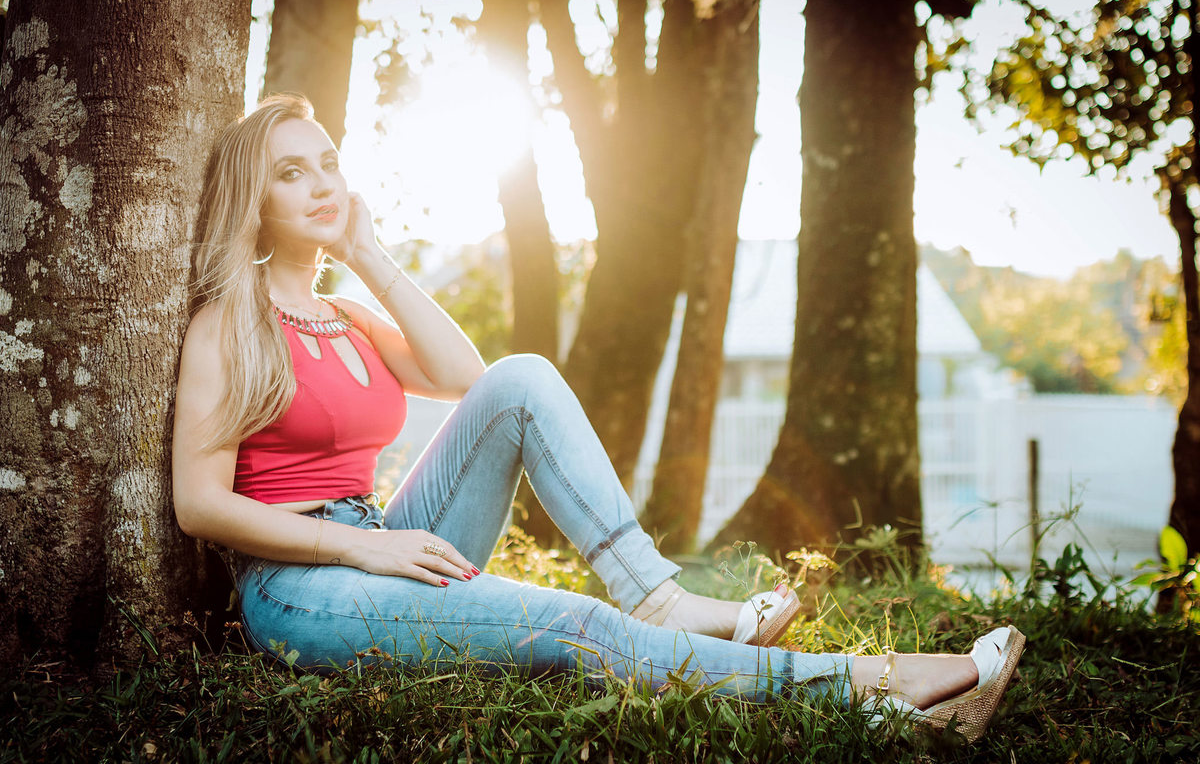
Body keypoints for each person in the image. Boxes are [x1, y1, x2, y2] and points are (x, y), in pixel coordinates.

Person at [171, 94, 1024, 743]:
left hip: (385, 542)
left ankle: (656, 597)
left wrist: (366, 254)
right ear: (254, 199)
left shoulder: (350, 316)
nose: (321, 184)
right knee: (572, 625)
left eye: (327, 163)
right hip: (301, 588)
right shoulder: (229, 321)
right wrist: (366, 545)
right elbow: (199, 505)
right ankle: (874, 689)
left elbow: (472, 382)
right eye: (291, 173)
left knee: (524, 374)